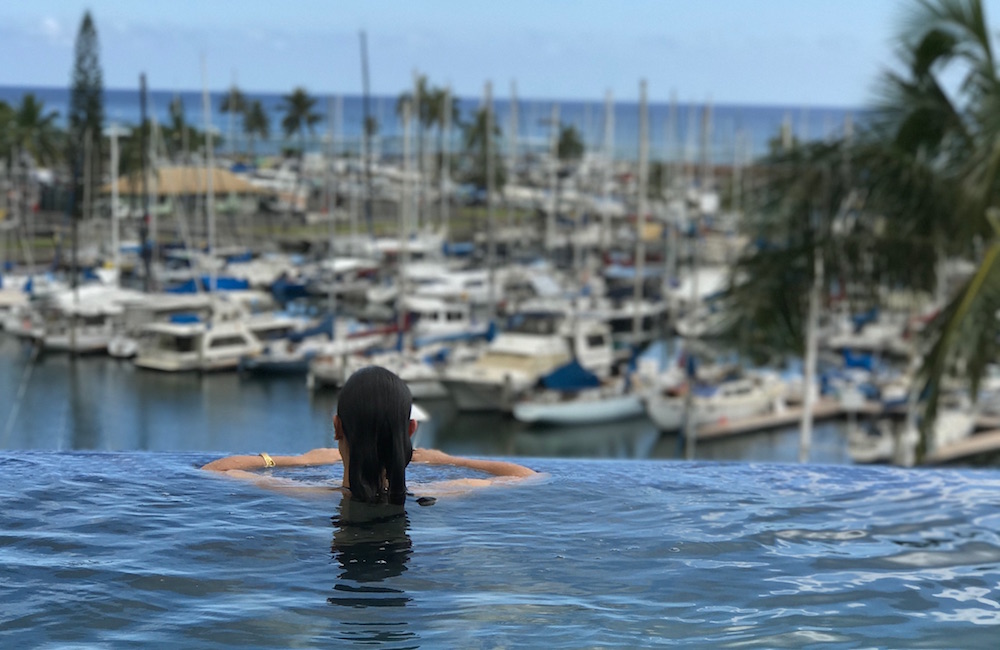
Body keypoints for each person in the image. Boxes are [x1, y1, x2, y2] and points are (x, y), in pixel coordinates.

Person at [202, 365, 537, 502]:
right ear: (410, 430)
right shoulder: (443, 490)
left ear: (337, 428)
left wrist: (297, 461)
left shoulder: (308, 494)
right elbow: (526, 476)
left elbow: (214, 471)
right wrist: (446, 459)